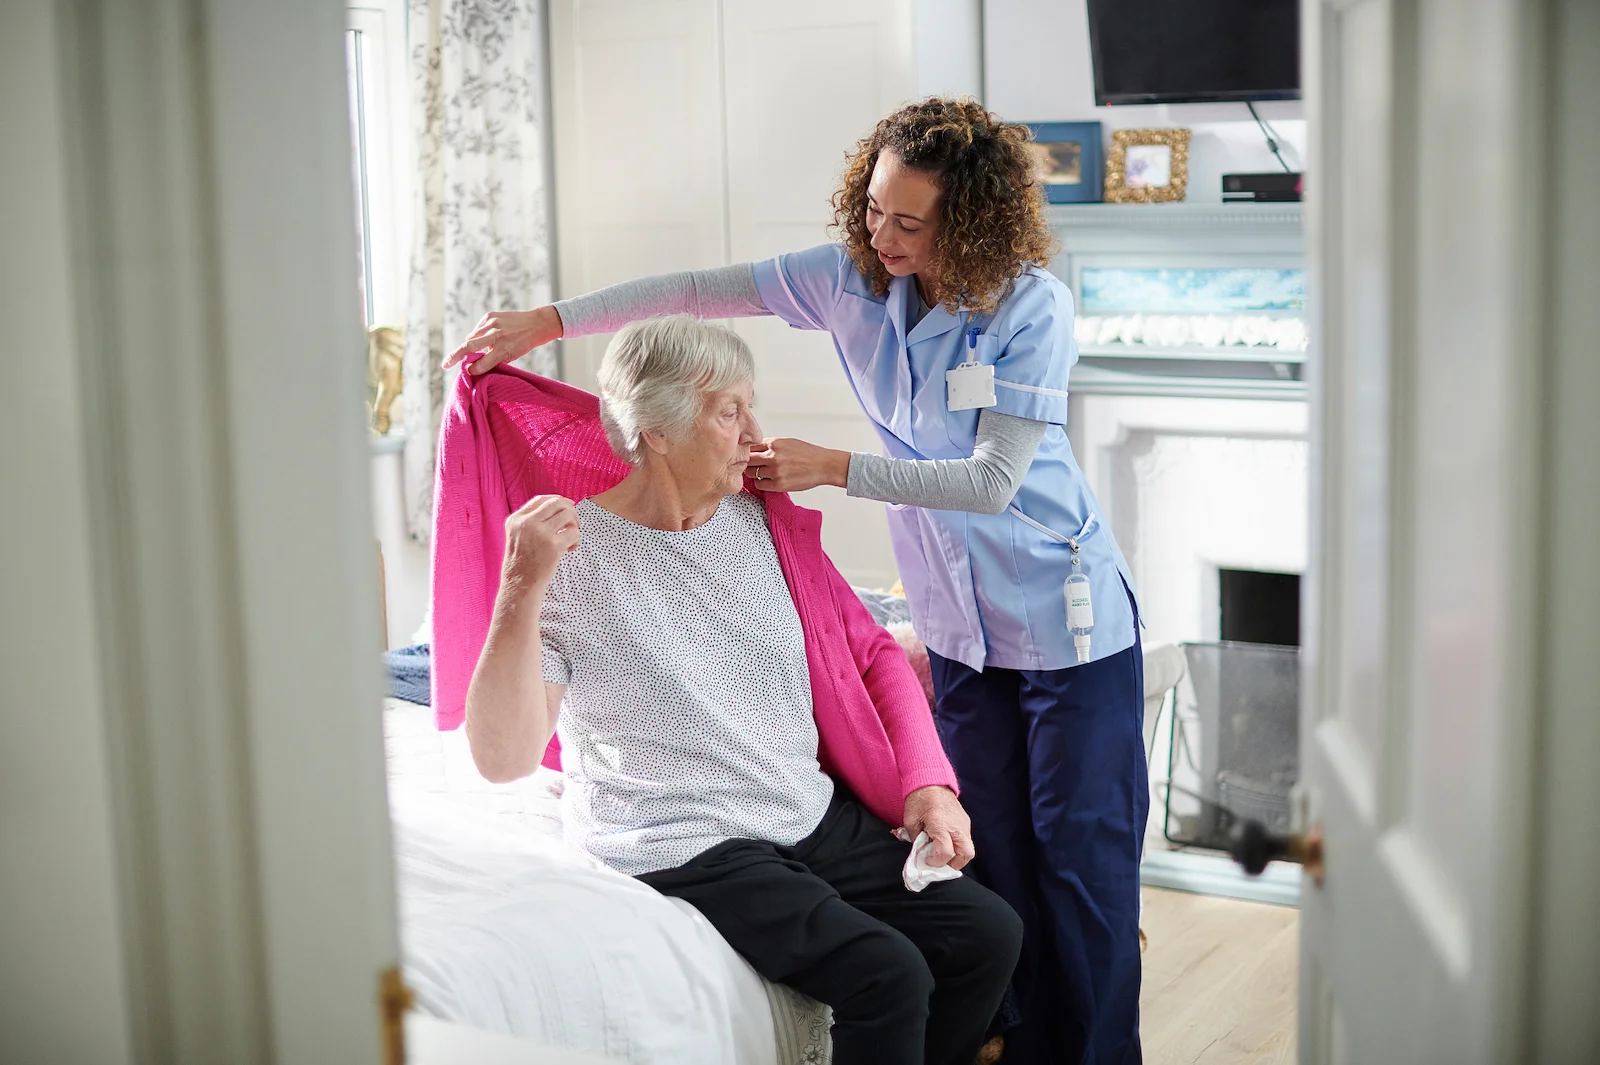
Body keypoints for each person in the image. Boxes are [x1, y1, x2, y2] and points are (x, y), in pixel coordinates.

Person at [451, 98, 1147, 1065]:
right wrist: (549, 320)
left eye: (911, 222)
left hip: (1062, 617)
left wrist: (834, 466)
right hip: (955, 623)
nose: (882, 235)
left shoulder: (1032, 308)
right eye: (872, 210)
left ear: (969, 221)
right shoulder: (848, 282)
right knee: (1001, 872)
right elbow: (694, 290)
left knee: (1084, 872)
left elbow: (992, 483)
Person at [464, 314, 1022, 1065]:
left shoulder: (763, 519)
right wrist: (520, 584)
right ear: (657, 430)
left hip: (795, 807)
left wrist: (929, 781)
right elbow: (503, 758)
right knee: (887, 974)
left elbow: (872, 653)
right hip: (681, 834)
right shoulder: (574, 559)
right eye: (730, 410)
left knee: (987, 933)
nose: (755, 430)